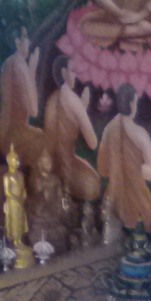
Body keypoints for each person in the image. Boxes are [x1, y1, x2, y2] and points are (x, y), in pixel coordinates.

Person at [97, 83, 151, 233]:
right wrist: (132, 169)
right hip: (139, 206)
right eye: (136, 102)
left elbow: (102, 169)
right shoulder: (140, 134)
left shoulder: (108, 129)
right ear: (132, 104)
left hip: (112, 204)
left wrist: (119, 168)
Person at [42, 55, 100, 202]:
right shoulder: (73, 100)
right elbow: (92, 142)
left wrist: (81, 107)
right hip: (65, 168)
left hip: (48, 165)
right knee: (94, 185)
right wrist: (83, 109)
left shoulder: (52, 98)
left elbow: (65, 125)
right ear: (63, 73)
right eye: (73, 71)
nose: (76, 75)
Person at [0, 28, 44, 166]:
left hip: (7, 133)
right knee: (47, 142)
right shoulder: (18, 64)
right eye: (26, 38)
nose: (29, 42)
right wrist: (32, 68)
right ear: (17, 42)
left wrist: (31, 70)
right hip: (13, 137)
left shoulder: (10, 63)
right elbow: (33, 110)